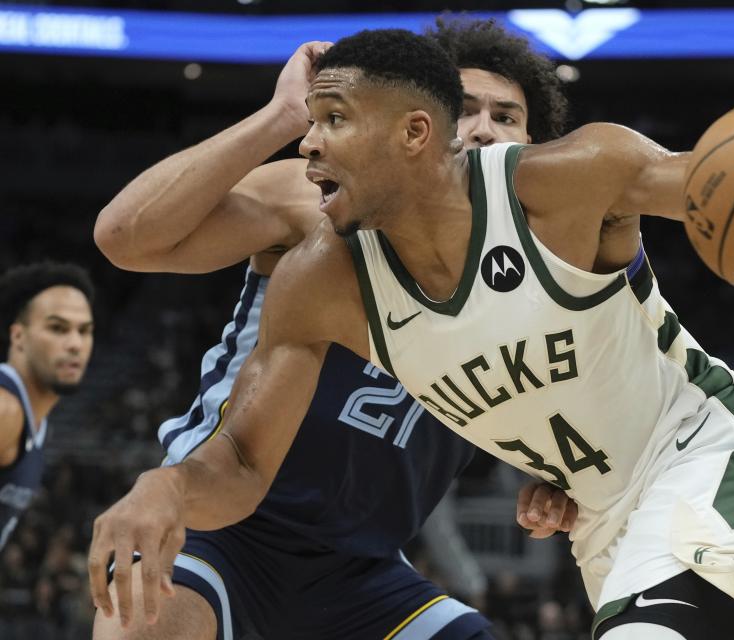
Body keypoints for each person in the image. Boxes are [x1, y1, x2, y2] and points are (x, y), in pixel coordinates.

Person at [89, 27, 734, 640]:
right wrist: (164, 484)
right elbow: (240, 457)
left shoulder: (573, 181)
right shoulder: (323, 267)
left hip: (710, 458)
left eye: (332, 119)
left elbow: (727, 180)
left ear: (414, 130)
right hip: (605, 526)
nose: (308, 139)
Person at [91, 20, 578, 640]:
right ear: (416, 125)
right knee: (143, 625)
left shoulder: (538, 286)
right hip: (219, 525)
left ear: (533, 144)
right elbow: (126, 238)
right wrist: (279, 119)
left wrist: (553, 484)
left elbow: (558, 434)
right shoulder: (320, 198)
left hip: (362, 570)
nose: (484, 128)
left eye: (507, 118)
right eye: (466, 110)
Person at [0, 262, 94, 550]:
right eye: (57, 328)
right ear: (18, 336)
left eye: (84, 330)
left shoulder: (34, 421)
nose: (75, 344)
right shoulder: (6, 410)